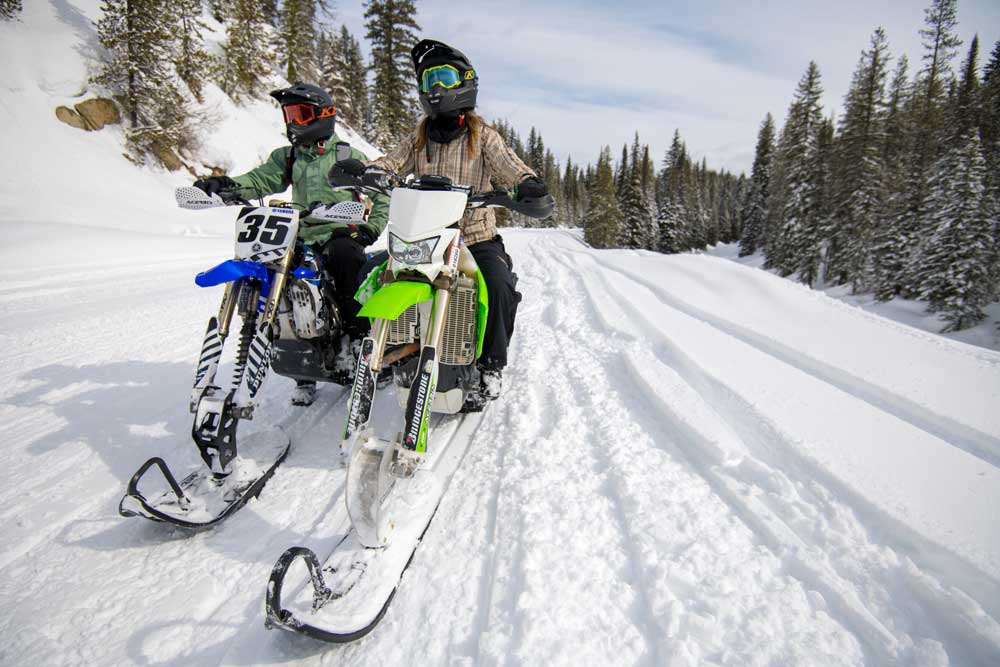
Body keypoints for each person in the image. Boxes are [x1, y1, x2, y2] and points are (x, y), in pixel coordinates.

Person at [330, 39, 551, 401]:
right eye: (427, 80)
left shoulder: (484, 139)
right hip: (423, 241)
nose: (433, 88)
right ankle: (382, 347)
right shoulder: (418, 139)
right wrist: (362, 171)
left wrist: (528, 186)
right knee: (371, 275)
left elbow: (514, 169)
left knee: (498, 286)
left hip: (474, 239)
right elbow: (389, 162)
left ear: (464, 82)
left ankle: (491, 365)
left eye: (443, 77)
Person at [193, 82, 390, 406]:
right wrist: (225, 185)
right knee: (283, 286)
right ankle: (301, 367)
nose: (293, 122)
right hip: (296, 235)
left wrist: (369, 229)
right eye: (289, 114)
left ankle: (358, 339)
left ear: (323, 115)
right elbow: (259, 180)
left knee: (346, 261)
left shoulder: (347, 155)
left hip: (338, 233)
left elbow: (380, 193)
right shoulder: (287, 157)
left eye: (300, 114)